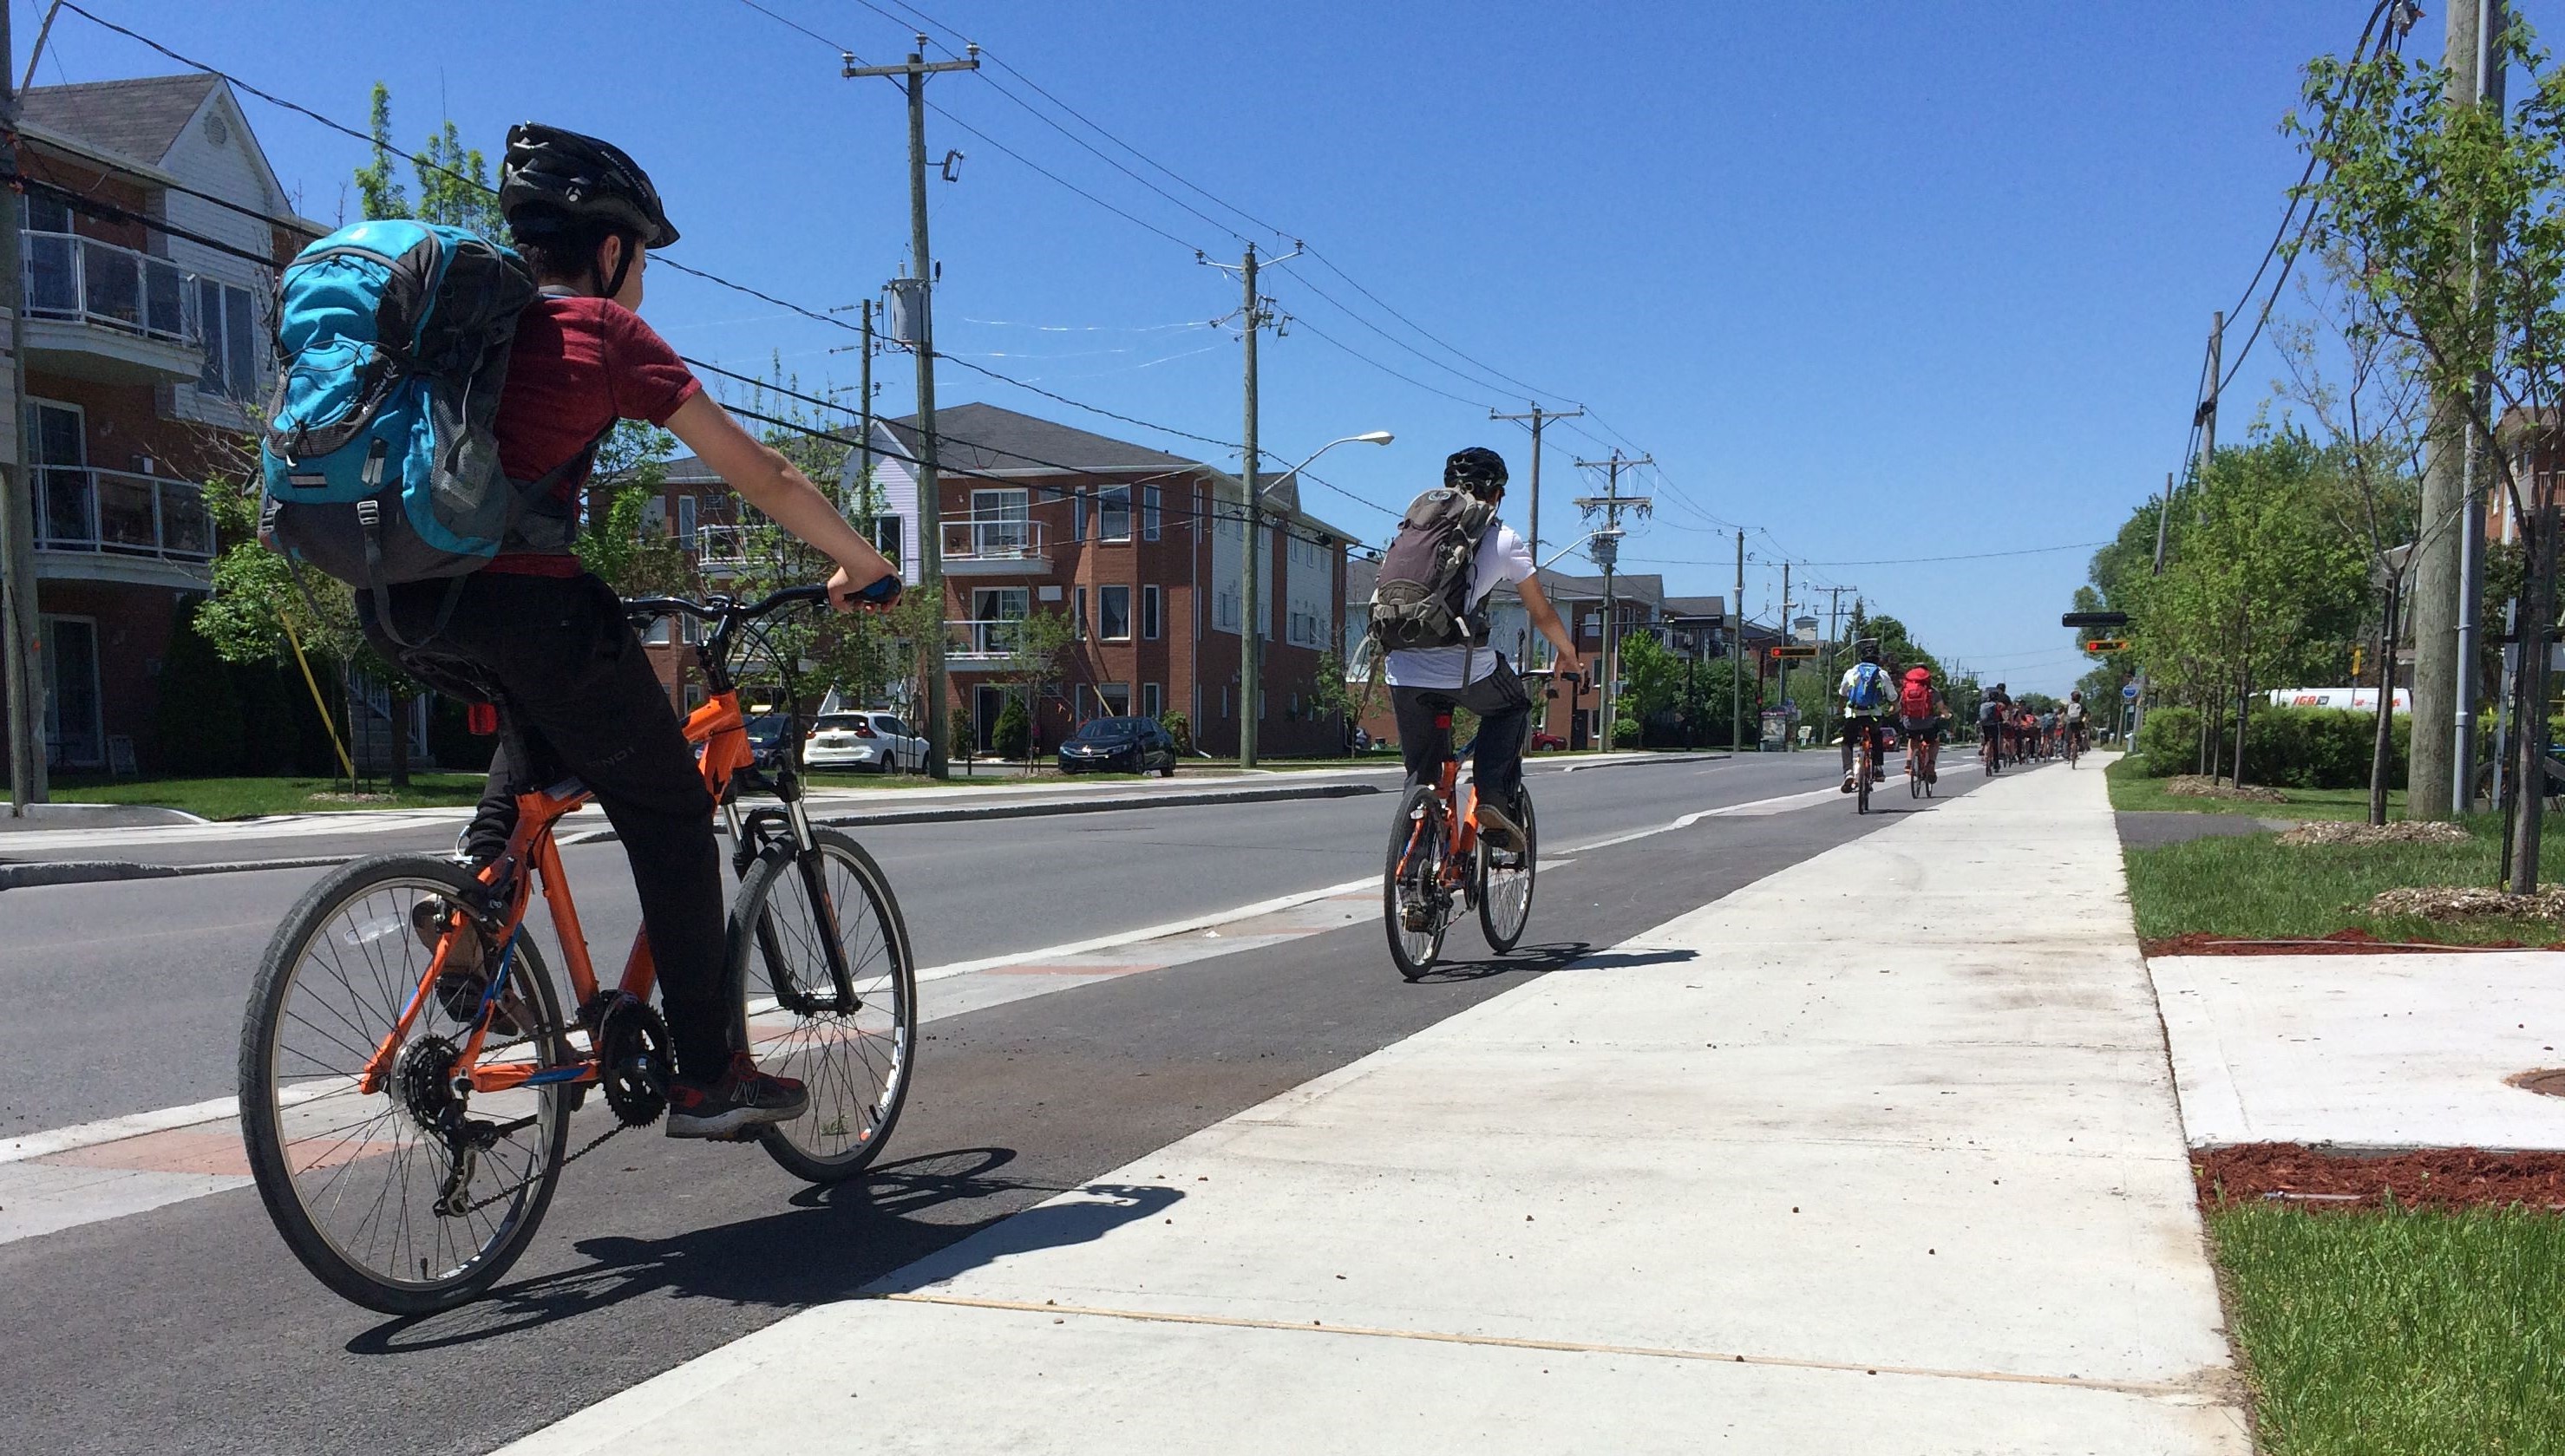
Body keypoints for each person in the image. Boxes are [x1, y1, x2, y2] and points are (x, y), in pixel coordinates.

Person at [366, 125, 901, 1141]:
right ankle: (708, 1076)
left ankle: (480, 899)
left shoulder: (470, 334)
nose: (644, 275)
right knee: (665, 813)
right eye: (643, 253)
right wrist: (861, 562)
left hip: (398, 600)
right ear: (609, 249)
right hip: (530, 604)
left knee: (539, 738)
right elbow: (764, 476)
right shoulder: (600, 336)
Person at [1384, 447, 1582, 853]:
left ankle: (1412, 888)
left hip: (1401, 669)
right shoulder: (1504, 540)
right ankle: (1492, 795)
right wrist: (1568, 654)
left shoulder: (1415, 530)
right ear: (1497, 495)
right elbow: (1542, 612)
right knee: (1512, 707)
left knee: (1422, 777)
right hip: (1464, 669)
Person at [1837, 639, 1896, 792]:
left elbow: (1843, 693)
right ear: (1877, 658)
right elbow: (1892, 696)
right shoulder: (1881, 673)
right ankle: (1877, 768)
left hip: (1853, 713)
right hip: (1873, 714)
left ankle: (1849, 772)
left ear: (1861, 657)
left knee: (1847, 741)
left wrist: (1841, 708)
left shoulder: (1852, 672)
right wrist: (1894, 707)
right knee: (1876, 736)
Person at [1895, 664, 1943, 781]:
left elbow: (1898, 705)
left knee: (1913, 738)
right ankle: (1931, 765)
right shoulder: (1932, 690)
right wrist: (1945, 714)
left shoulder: (1906, 689)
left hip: (1910, 722)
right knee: (1934, 741)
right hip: (1927, 723)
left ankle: (1909, 763)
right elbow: (1941, 707)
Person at [1978, 682, 2012, 770]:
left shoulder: (1983, 705)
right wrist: (2006, 721)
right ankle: (1996, 763)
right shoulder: (1997, 705)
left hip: (1984, 724)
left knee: (1987, 739)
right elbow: (2003, 715)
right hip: (1994, 724)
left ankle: (1985, 751)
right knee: (1995, 743)